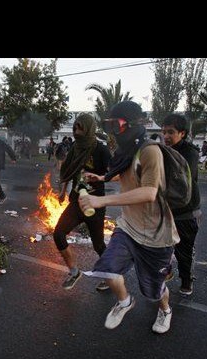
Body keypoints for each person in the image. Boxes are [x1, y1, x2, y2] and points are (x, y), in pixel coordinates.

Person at [78, 101, 179, 334]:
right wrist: (102, 179)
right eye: (109, 125)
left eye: (116, 125)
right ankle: (124, 302)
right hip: (128, 227)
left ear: (131, 124)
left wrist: (101, 200)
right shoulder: (127, 151)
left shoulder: (150, 150)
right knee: (107, 268)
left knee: (154, 290)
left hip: (156, 235)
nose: (112, 130)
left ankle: (165, 310)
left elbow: (149, 192)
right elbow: (126, 173)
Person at [53, 113, 112, 291]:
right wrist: (63, 191)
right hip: (76, 201)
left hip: (94, 203)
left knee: (98, 245)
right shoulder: (75, 148)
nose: (77, 132)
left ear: (88, 128)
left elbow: (113, 174)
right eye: (75, 128)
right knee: (58, 233)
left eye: (80, 128)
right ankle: (74, 271)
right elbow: (69, 170)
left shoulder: (101, 150)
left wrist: (99, 177)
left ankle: (111, 275)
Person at [161, 114, 201, 296]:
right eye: (164, 132)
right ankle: (165, 270)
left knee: (183, 249)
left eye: (171, 132)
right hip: (166, 208)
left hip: (186, 211)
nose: (166, 136)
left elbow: (181, 180)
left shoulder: (189, 153)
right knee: (161, 244)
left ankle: (186, 280)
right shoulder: (163, 151)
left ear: (182, 133)